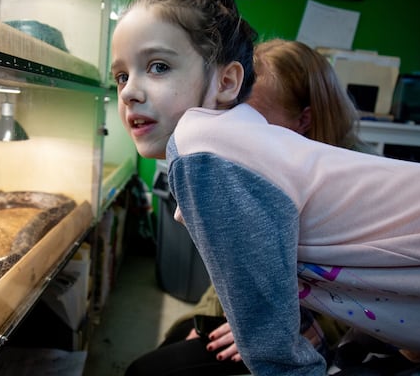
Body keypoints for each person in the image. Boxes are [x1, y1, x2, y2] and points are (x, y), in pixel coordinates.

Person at [110, 0, 420, 375]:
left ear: (227, 82)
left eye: (158, 67)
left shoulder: (201, 145)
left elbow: (274, 349)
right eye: (121, 76)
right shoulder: (226, 145)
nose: (130, 91)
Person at [124, 38, 371, 376]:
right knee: (170, 345)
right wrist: (205, 319)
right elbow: (234, 265)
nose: (238, 134)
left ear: (305, 120)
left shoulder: (356, 189)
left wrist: (303, 331)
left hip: (311, 330)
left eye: (254, 121)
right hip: (259, 319)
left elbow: (380, 303)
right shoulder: (256, 164)